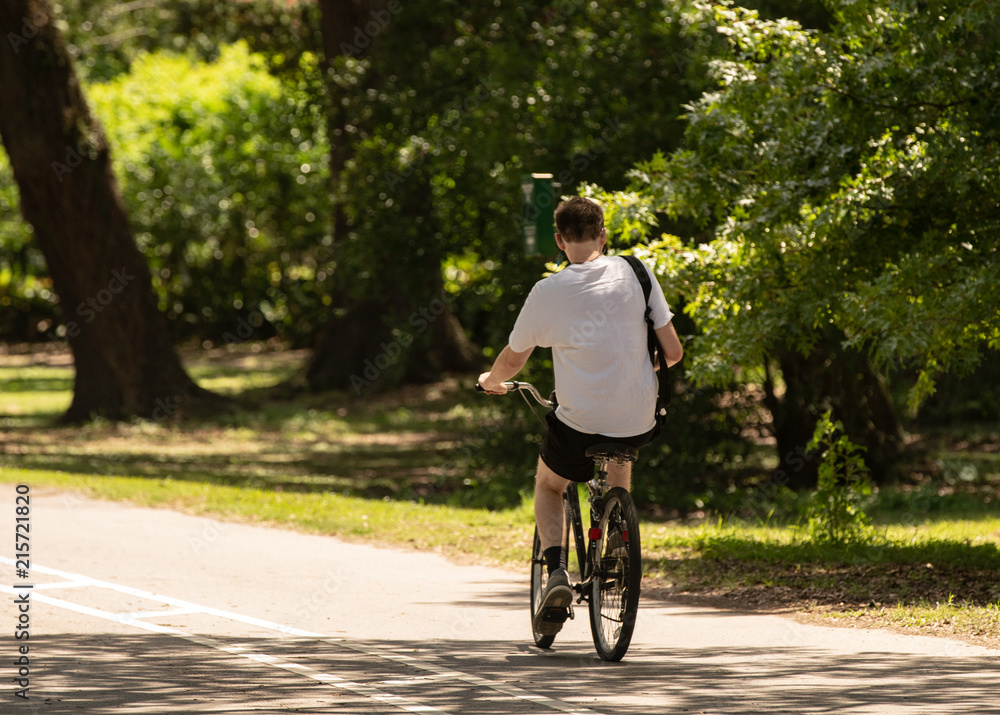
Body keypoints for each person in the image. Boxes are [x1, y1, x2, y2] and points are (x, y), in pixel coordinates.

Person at [478, 196, 683, 636]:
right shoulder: (638, 272)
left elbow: (513, 363)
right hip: (640, 421)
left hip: (578, 424)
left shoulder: (547, 292)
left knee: (550, 484)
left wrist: (491, 380)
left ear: (559, 241)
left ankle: (555, 572)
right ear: (604, 235)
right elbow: (673, 351)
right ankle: (615, 544)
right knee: (620, 454)